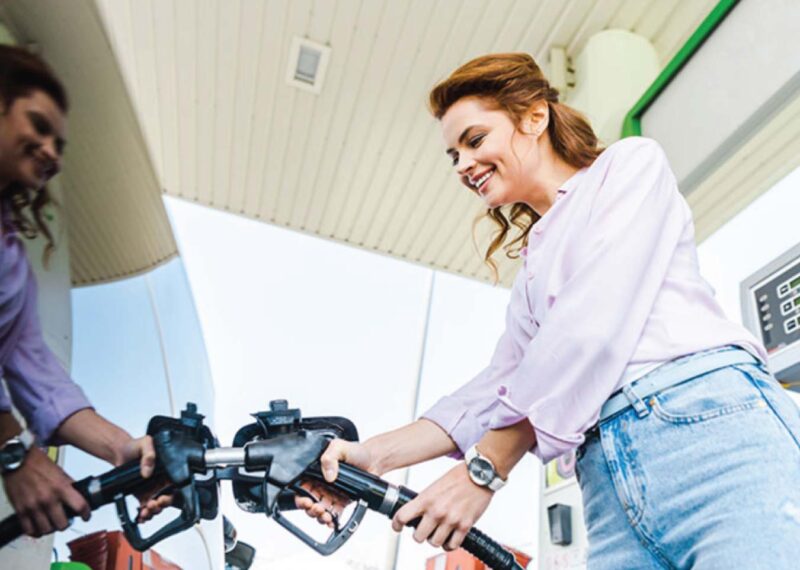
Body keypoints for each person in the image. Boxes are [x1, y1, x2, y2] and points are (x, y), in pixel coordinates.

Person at [299, 53, 800, 568]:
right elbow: (493, 390)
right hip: (605, 478)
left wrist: (484, 471)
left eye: (474, 140)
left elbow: (592, 326)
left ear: (534, 117)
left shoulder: (629, 167)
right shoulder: (534, 267)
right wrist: (370, 459)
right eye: (453, 155)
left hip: (707, 430)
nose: (463, 165)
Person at [0, 45, 168, 540]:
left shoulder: (13, 261)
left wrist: (122, 449)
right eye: (38, 125)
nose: (51, 149)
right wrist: (12, 450)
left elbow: (36, 372)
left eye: (59, 142)